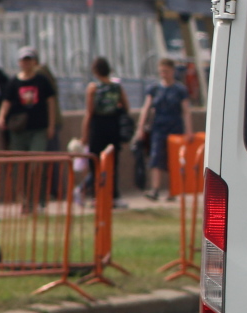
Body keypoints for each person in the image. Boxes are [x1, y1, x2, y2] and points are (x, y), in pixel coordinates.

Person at [135, 58, 192, 201]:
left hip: (175, 127)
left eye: (166, 71)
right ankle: (155, 189)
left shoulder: (180, 90)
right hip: (158, 127)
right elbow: (146, 108)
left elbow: (186, 111)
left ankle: (173, 191)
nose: (164, 74)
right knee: (156, 157)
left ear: (172, 71)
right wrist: (140, 127)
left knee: (173, 160)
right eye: (161, 71)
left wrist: (188, 130)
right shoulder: (154, 89)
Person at [80, 56, 129, 206]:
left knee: (95, 162)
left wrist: (84, 135)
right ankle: (113, 195)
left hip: (98, 126)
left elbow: (89, 112)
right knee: (112, 162)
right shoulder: (116, 86)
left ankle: (97, 195)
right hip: (113, 125)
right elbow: (126, 106)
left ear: (95, 70)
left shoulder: (93, 87)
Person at [0, 46, 57, 152]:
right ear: (19, 62)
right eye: (24, 61)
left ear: (34, 62)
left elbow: (51, 103)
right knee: (19, 158)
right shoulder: (13, 81)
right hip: (19, 127)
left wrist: (51, 125)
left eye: (29, 60)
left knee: (36, 156)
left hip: (39, 126)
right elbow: (7, 101)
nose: (26, 63)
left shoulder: (42, 80)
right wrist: (1, 117)